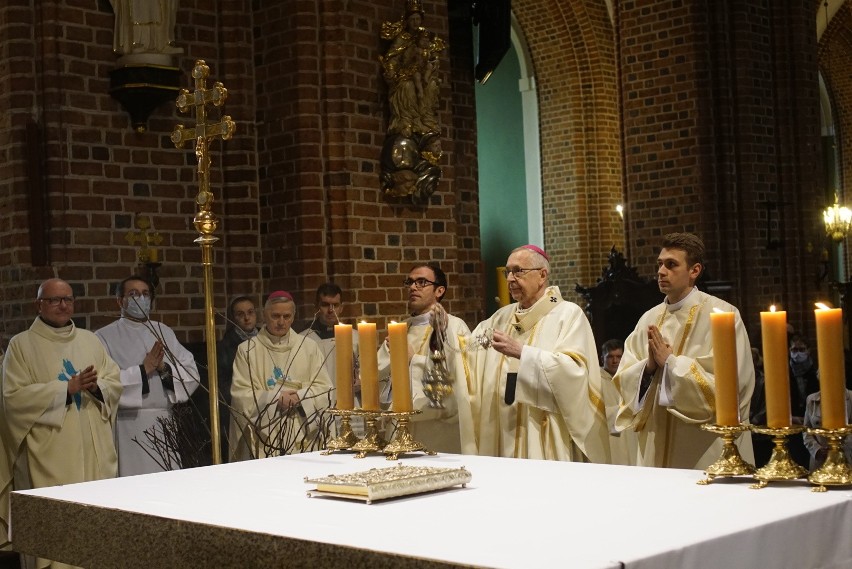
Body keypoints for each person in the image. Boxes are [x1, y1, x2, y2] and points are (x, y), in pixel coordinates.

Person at [0, 279, 122, 562]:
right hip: (50, 454)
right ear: (39, 305)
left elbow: (113, 381)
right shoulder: (21, 345)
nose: (62, 305)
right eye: (54, 300)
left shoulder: (90, 340)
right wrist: (65, 389)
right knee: (56, 540)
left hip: (95, 453)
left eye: (67, 299)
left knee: (97, 534)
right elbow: (13, 400)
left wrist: (95, 387)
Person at [613, 233, 755, 469]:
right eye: (660, 264)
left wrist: (670, 363)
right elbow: (623, 381)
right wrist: (648, 368)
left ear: (694, 270)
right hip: (655, 445)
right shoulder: (648, 319)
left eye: (671, 265)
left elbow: (733, 387)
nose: (661, 271)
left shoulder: (722, 315)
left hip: (703, 450)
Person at [465, 245, 610, 463]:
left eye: (518, 271)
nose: (510, 279)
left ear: (542, 275)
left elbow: (576, 372)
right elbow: (467, 353)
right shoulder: (500, 318)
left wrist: (523, 353)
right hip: (503, 429)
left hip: (543, 431)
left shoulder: (567, 314)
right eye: (508, 272)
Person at [96, 275, 200, 476]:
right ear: (120, 301)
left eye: (145, 294)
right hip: (127, 425)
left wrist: (164, 369)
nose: (140, 299)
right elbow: (103, 383)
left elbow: (191, 373)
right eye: (133, 294)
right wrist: (143, 371)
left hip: (164, 421)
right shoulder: (103, 337)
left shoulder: (164, 332)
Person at [378, 263, 475, 454]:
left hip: (438, 433)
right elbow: (380, 385)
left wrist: (413, 360)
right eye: (410, 282)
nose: (413, 287)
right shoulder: (400, 330)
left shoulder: (454, 328)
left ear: (439, 290)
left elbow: (460, 382)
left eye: (421, 282)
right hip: (399, 432)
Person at [229, 291, 333, 460]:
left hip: (303, 436)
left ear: (293, 317)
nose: (281, 322)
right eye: (275, 316)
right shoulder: (248, 350)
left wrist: (300, 397)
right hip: (265, 440)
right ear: (264, 315)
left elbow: (325, 389)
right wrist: (276, 399)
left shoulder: (309, 347)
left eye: (286, 316)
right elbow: (241, 395)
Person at [216, 295, 260, 461]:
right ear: (232, 318)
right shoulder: (227, 345)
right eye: (240, 314)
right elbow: (224, 381)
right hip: (241, 406)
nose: (247, 318)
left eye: (250, 312)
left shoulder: (266, 339)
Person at [599, 339, 636, 465]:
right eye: (610, 357)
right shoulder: (595, 380)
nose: (615, 361)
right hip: (607, 437)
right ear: (602, 358)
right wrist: (621, 410)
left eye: (619, 357)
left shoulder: (628, 378)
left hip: (629, 434)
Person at [787, 334, 820, 468]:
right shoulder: (784, 372)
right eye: (794, 350)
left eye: (801, 350)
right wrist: (790, 417)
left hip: (814, 424)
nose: (798, 354)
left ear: (808, 350)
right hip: (793, 425)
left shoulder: (816, 372)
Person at [803, 389, 852, 470]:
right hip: (820, 460)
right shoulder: (811, 399)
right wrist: (817, 449)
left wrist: (838, 450)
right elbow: (806, 429)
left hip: (845, 459)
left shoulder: (850, 397)